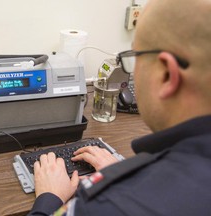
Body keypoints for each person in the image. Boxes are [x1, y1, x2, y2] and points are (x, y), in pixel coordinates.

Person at [28, 0, 211, 215]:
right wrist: (121, 172)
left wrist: (48, 199)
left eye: (135, 56)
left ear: (166, 74)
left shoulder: (107, 205)